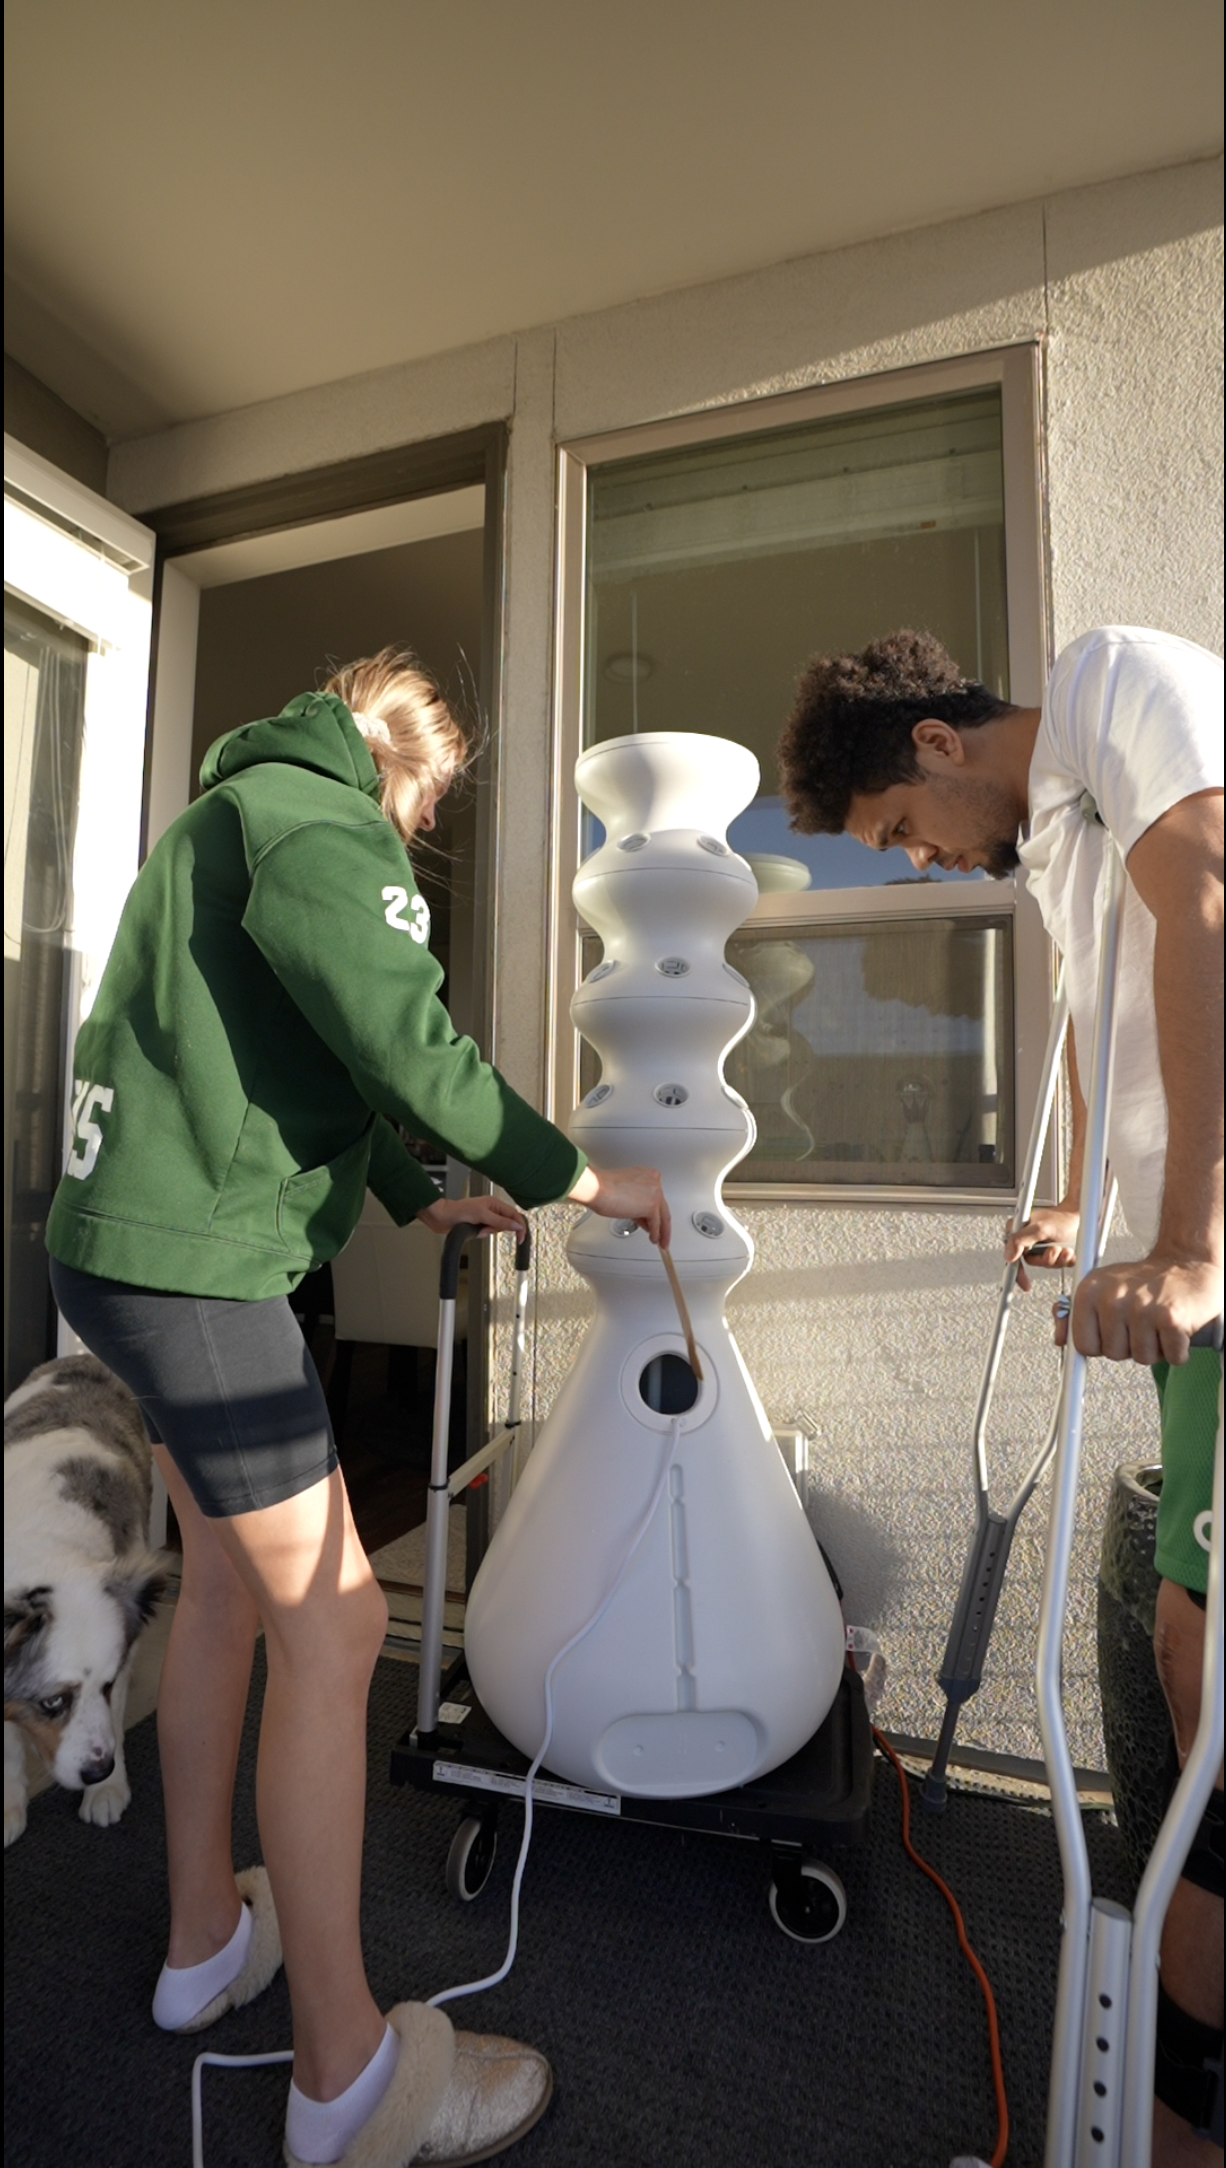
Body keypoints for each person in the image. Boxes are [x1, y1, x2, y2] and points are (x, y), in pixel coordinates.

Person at [45, 646, 670, 2168]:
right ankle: (348, 2075)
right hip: (202, 1277)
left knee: (230, 1606)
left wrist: (410, 1194)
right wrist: (573, 1172)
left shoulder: (232, 813)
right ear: (412, 776)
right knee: (333, 1625)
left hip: (135, 1252)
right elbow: (400, 1033)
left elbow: (282, 1049)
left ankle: (205, 1942)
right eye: (427, 816)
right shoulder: (323, 822)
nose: (414, 843)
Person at [776, 625, 1223, 2163]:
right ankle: (1178, 2086)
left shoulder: (1115, 689)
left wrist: (1183, 1246)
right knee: (1181, 1661)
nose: (913, 865)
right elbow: (1110, 1016)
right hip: (1193, 1292)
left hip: (1219, 1272)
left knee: (1205, 1680)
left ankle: (1185, 2104)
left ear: (939, 746)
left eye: (901, 833)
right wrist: (1089, 1215)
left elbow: (1213, 900)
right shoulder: (1057, 845)